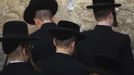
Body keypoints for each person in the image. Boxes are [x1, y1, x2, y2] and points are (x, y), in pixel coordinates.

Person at [75, 0, 134, 75]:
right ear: (111, 14)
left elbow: (79, 68)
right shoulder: (122, 40)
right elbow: (129, 71)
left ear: (95, 15)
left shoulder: (82, 38)